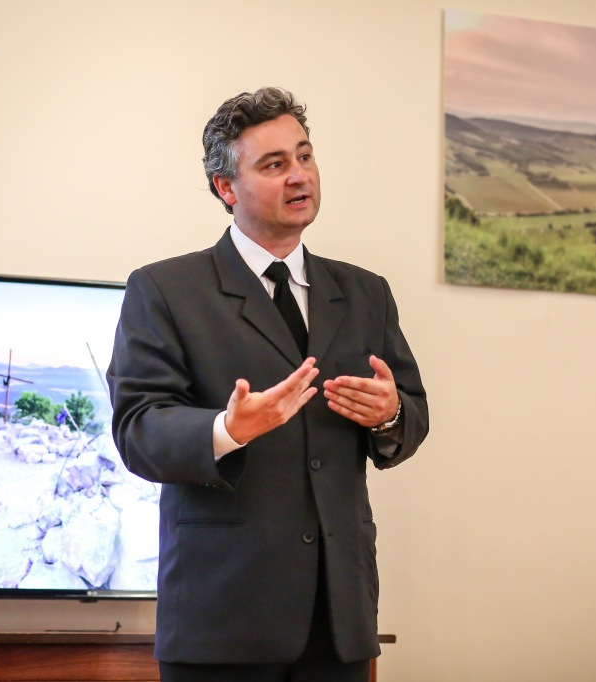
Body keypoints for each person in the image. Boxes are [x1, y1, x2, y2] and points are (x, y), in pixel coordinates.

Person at [107, 86, 428, 681]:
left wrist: (389, 414)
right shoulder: (165, 290)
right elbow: (137, 429)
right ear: (226, 188)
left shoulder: (366, 292)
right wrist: (226, 429)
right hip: (221, 617)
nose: (299, 175)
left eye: (304, 156)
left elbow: (412, 415)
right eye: (274, 164)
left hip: (339, 617)